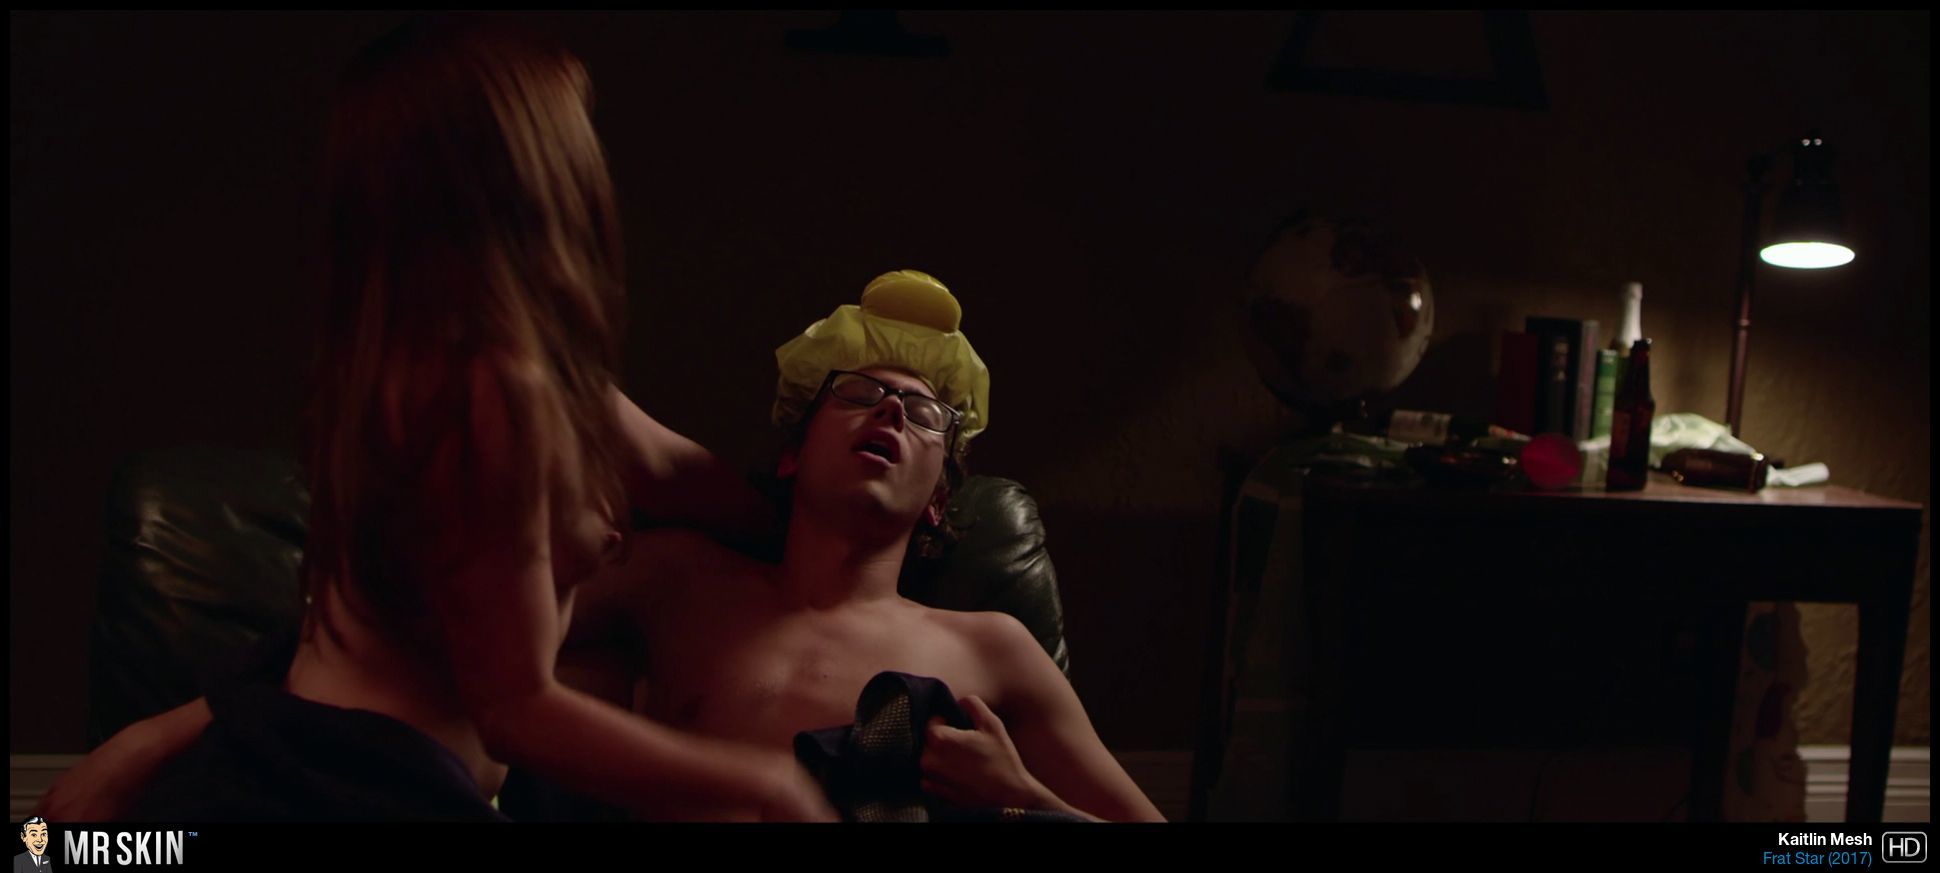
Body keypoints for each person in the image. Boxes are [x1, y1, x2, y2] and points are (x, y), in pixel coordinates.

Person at [45, 16, 834, 823]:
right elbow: (514, 708)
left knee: (44, 850)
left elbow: (675, 470)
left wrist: (817, 514)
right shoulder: (491, 390)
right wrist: (764, 782)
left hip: (317, 761)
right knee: (44, 849)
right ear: (530, 172)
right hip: (349, 794)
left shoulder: (420, 359)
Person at [564, 270, 1166, 821]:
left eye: (924, 412)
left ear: (937, 500)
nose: (891, 411)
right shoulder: (679, 579)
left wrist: (1023, 799)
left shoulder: (992, 648)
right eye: (857, 392)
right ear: (793, 456)